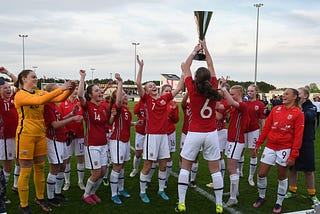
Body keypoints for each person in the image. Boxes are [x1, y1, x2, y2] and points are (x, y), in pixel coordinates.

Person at [14, 69, 75, 213]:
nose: (36, 79)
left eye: (36, 77)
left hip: (40, 135)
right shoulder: (20, 95)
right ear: (23, 79)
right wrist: (62, 88)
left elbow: (59, 98)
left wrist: (70, 89)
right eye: (33, 77)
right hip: (25, 136)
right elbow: (39, 101)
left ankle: (40, 198)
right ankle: (23, 205)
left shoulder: (38, 92)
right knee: (26, 170)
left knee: (40, 169)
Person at [176, 40, 224, 214]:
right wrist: (207, 48)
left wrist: (195, 50)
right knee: (215, 170)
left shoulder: (192, 87)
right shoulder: (213, 87)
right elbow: (210, 63)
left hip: (194, 133)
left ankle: (182, 202)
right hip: (211, 133)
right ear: (209, 79)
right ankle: (219, 205)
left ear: (196, 78)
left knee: (185, 167)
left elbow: (186, 67)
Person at [136, 55, 184, 204]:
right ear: (147, 91)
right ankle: (142, 192)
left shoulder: (164, 99)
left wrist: (184, 73)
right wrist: (141, 67)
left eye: (154, 85)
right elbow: (138, 83)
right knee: (148, 165)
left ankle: (161, 189)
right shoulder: (147, 99)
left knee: (163, 164)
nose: (154, 87)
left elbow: (179, 88)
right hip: (152, 136)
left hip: (163, 136)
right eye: (150, 86)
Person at [253, 88, 304, 214]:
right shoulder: (276, 109)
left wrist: (293, 155)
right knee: (261, 174)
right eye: (283, 94)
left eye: (287, 94)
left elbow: (298, 136)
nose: (283, 96)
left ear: (294, 97)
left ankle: (279, 202)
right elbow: (266, 128)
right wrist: (259, 143)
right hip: (270, 146)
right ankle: (262, 196)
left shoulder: (298, 113)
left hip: (284, 148)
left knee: (281, 177)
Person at [44, 83, 83, 208]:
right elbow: (55, 125)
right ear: (50, 93)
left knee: (62, 166)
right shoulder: (47, 106)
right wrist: (72, 119)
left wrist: (71, 114)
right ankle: (50, 197)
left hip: (61, 139)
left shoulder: (53, 105)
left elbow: (59, 119)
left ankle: (58, 192)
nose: (60, 92)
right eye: (57, 90)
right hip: (54, 139)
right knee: (55, 167)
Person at [108, 73, 142, 204]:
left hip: (125, 140)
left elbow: (126, 124)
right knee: (117, 166)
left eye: (124, 93)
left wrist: (135, 124)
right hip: (117, 140)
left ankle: (120, 189)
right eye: (122, 94)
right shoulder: (118, 107)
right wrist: (120, 82)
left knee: (122, 165)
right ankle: (113, 193)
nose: (125, 95)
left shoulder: (126, 109)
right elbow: (116, 103)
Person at [78, 70, 109, 205]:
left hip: (103, 144)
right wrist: (83, 77)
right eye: (96, 91)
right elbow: (80, 95)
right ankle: (86, 195)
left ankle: (92, 192)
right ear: (90, 95)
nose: (100, 92)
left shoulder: (103, 107)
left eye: (100, 90)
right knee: (96, 173)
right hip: (92, 145)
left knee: (103, 172)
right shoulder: (87, 106)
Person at [285, 87, 319, 205]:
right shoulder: (293, 106)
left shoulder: (311, 107)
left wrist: (296, 113)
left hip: (306, 142)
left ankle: (312, 194)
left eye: (299, 93)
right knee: (292, 167)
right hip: (293, 141)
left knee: (309, 170)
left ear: (305, 96)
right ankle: (292, 190)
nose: (297, 95)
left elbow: (309, 117)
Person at [219, 80, 249, 207]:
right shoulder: (234, 105)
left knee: (231, 168)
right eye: (230, 93)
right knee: (233, 168)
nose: (231, 96)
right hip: (232, 139)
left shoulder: (242, 105)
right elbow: (220, 107)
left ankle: (233, 198)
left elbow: (230, 102)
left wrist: (223, 89)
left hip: (237, 140)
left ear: (240, 94)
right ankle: (234, 192)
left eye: (233, 94)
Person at [58, 87, 86, 191]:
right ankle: (67, 182)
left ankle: (80, 182)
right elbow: (59, 119)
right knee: (67, 160)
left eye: (77, 89)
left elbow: (86, 115)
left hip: (79, 135)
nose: (75, 91)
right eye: (74, 89)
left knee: (80, 159)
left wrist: (83, 118)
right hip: (68, 136)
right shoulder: (62, 103)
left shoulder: (81, 103)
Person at [239, 85, 266, 186]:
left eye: (252, 91)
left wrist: (263, 132)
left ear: (256, 92)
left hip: (254, 130)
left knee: (253, 152)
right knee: (241, 150)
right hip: (243, 129)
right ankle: (240, 171)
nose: (249, 92)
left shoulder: (260, 104)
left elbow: (262, 119)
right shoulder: (243, 102)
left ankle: (250, 177)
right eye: (248, 91)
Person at [0, 68, 19, 202]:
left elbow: (18, 83)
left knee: (20, 161)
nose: (8, 90)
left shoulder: (13, 99)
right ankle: (2, 192)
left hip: (18, 136)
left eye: (9, 87)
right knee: (8, 167)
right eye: (5, 88)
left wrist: (7, 72)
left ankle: (16, 185)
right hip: (5, 139)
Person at [162, 84, 179, 188]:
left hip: (170, 132)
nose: (168, 93)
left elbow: (176, 120)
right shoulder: (159, 102)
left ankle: (166, 179)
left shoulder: (173, 104)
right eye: (166, 91)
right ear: (162, 92)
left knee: (169, 156)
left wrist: (173, 111)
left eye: (170, 91)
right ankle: (148, 180)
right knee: (155, 158)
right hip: (159, 133)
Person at [129, 99, 146, 178]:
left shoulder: (154, 102)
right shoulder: (140, 103)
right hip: (140, 132)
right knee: (138, 153)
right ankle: (135, 169)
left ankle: (147, 173)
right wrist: (141, 100)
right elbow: (135, 111)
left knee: (149, 154)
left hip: (151, 133)